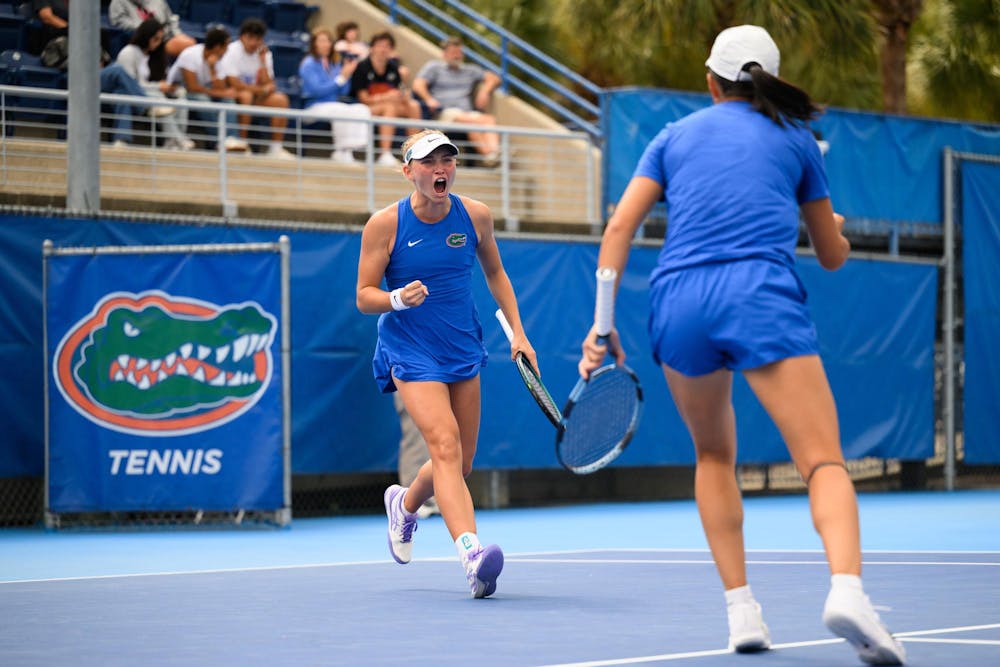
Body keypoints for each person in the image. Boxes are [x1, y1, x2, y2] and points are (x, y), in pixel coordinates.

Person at [576, 25, 906, 665]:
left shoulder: (671, 137)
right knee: (823, 462)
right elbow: (833, 257)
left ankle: (742, 612)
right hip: (757, 293)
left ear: (711, 81)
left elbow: (619, 225)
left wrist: (602, 324)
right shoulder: (798, 140)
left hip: (678, 303)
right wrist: (831, 230)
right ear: (765, 81)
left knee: (712, 456)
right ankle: (847, 590)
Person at [356, 130, 536, 598]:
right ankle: (472, 555)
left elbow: (496, 273)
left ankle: (404, 504)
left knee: (461, 463)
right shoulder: (384, 225)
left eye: (447, 160)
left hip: (462, 349)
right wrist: (396, 297)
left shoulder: (475, 215)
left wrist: (519, 332)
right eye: (429, 161)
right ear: (408, 170)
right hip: (409, 349)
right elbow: (363, 296)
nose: (441, 169)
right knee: (444, 444)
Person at [412, 37, 502, 166]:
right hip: (445, 113)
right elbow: (418, 84)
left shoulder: (470, 70)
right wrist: (429, 99)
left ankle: (491, 155)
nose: (456, 55)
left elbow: (494, 78)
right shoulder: (434, 67)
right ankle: (492, 154)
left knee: (489, 119)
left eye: (459, 52)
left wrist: (485, 91)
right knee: (476, 122)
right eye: (453, 52)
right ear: (444, 54)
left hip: (467, 114)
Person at [219, 17, 294, 159]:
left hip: (255, 96)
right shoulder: (231, 51)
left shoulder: (265, 54)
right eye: (250, 38)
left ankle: (275, 149)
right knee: (245, 95)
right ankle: (242, 143)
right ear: (242, 37)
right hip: (234, 96)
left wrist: (262, 62)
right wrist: (261, 90)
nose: (254, 42)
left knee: (281, 100)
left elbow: (270, 84)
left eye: (258, 38)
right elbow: (235, 84)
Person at [115, 18, 194, 150]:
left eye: (160, 39)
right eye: (155, 39)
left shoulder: (157, 56)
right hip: (135, 97)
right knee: (157, 98)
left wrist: (171, 88)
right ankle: (178, 139)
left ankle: (173, 141)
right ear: (146, 36)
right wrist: (158, 87)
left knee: (181, 97)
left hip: (154, 94)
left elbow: (164, 79)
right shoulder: (128, 52)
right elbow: (130, 85)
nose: (157, 43)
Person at [166, 26, 248, 151]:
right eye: (226, 47)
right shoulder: (190, 54)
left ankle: (231, 138)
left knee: (228, 101)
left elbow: (220, 89)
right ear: (217, 47)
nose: (227, 51)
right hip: (179, 91)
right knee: (202, 99)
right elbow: (192, 88)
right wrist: (218, 92)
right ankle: (221, 140)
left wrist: (212, 69)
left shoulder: (219, 60)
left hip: (203, 91)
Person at [298, 26, 372, 164]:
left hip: (333, 105)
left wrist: (347, 75)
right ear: (314, 44)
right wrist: (340, 79)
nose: (326, 44)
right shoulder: (308, 64)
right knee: (340, 110)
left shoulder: (334, 64)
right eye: (322, 41)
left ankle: (349, 150)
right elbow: (317, 90)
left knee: (362, 109)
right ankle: (341, 151)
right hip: (313, 106)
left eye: (328, 41)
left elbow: (343, 91)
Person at [349, 31, 421, 167]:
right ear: (372, 48)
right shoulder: (362, 67)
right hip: (367, 108)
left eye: (387, 46)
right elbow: (363, 98)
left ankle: (414, 153)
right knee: (390, 107)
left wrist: (404, 96)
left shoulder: (393, 68)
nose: (383, 49)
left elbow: (399, 90)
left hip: (391, 106)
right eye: (380, 45)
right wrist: (385, 97)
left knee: (414, 106)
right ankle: (385, 154)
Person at [108, 0, 196, 79]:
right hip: (139, 35)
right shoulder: (118, 2)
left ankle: (180, 82)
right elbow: (119, 22)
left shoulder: (159, 2)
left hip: (164, 36)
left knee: (190, 43)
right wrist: (147, 30)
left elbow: (170, 21)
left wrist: (177, 35)